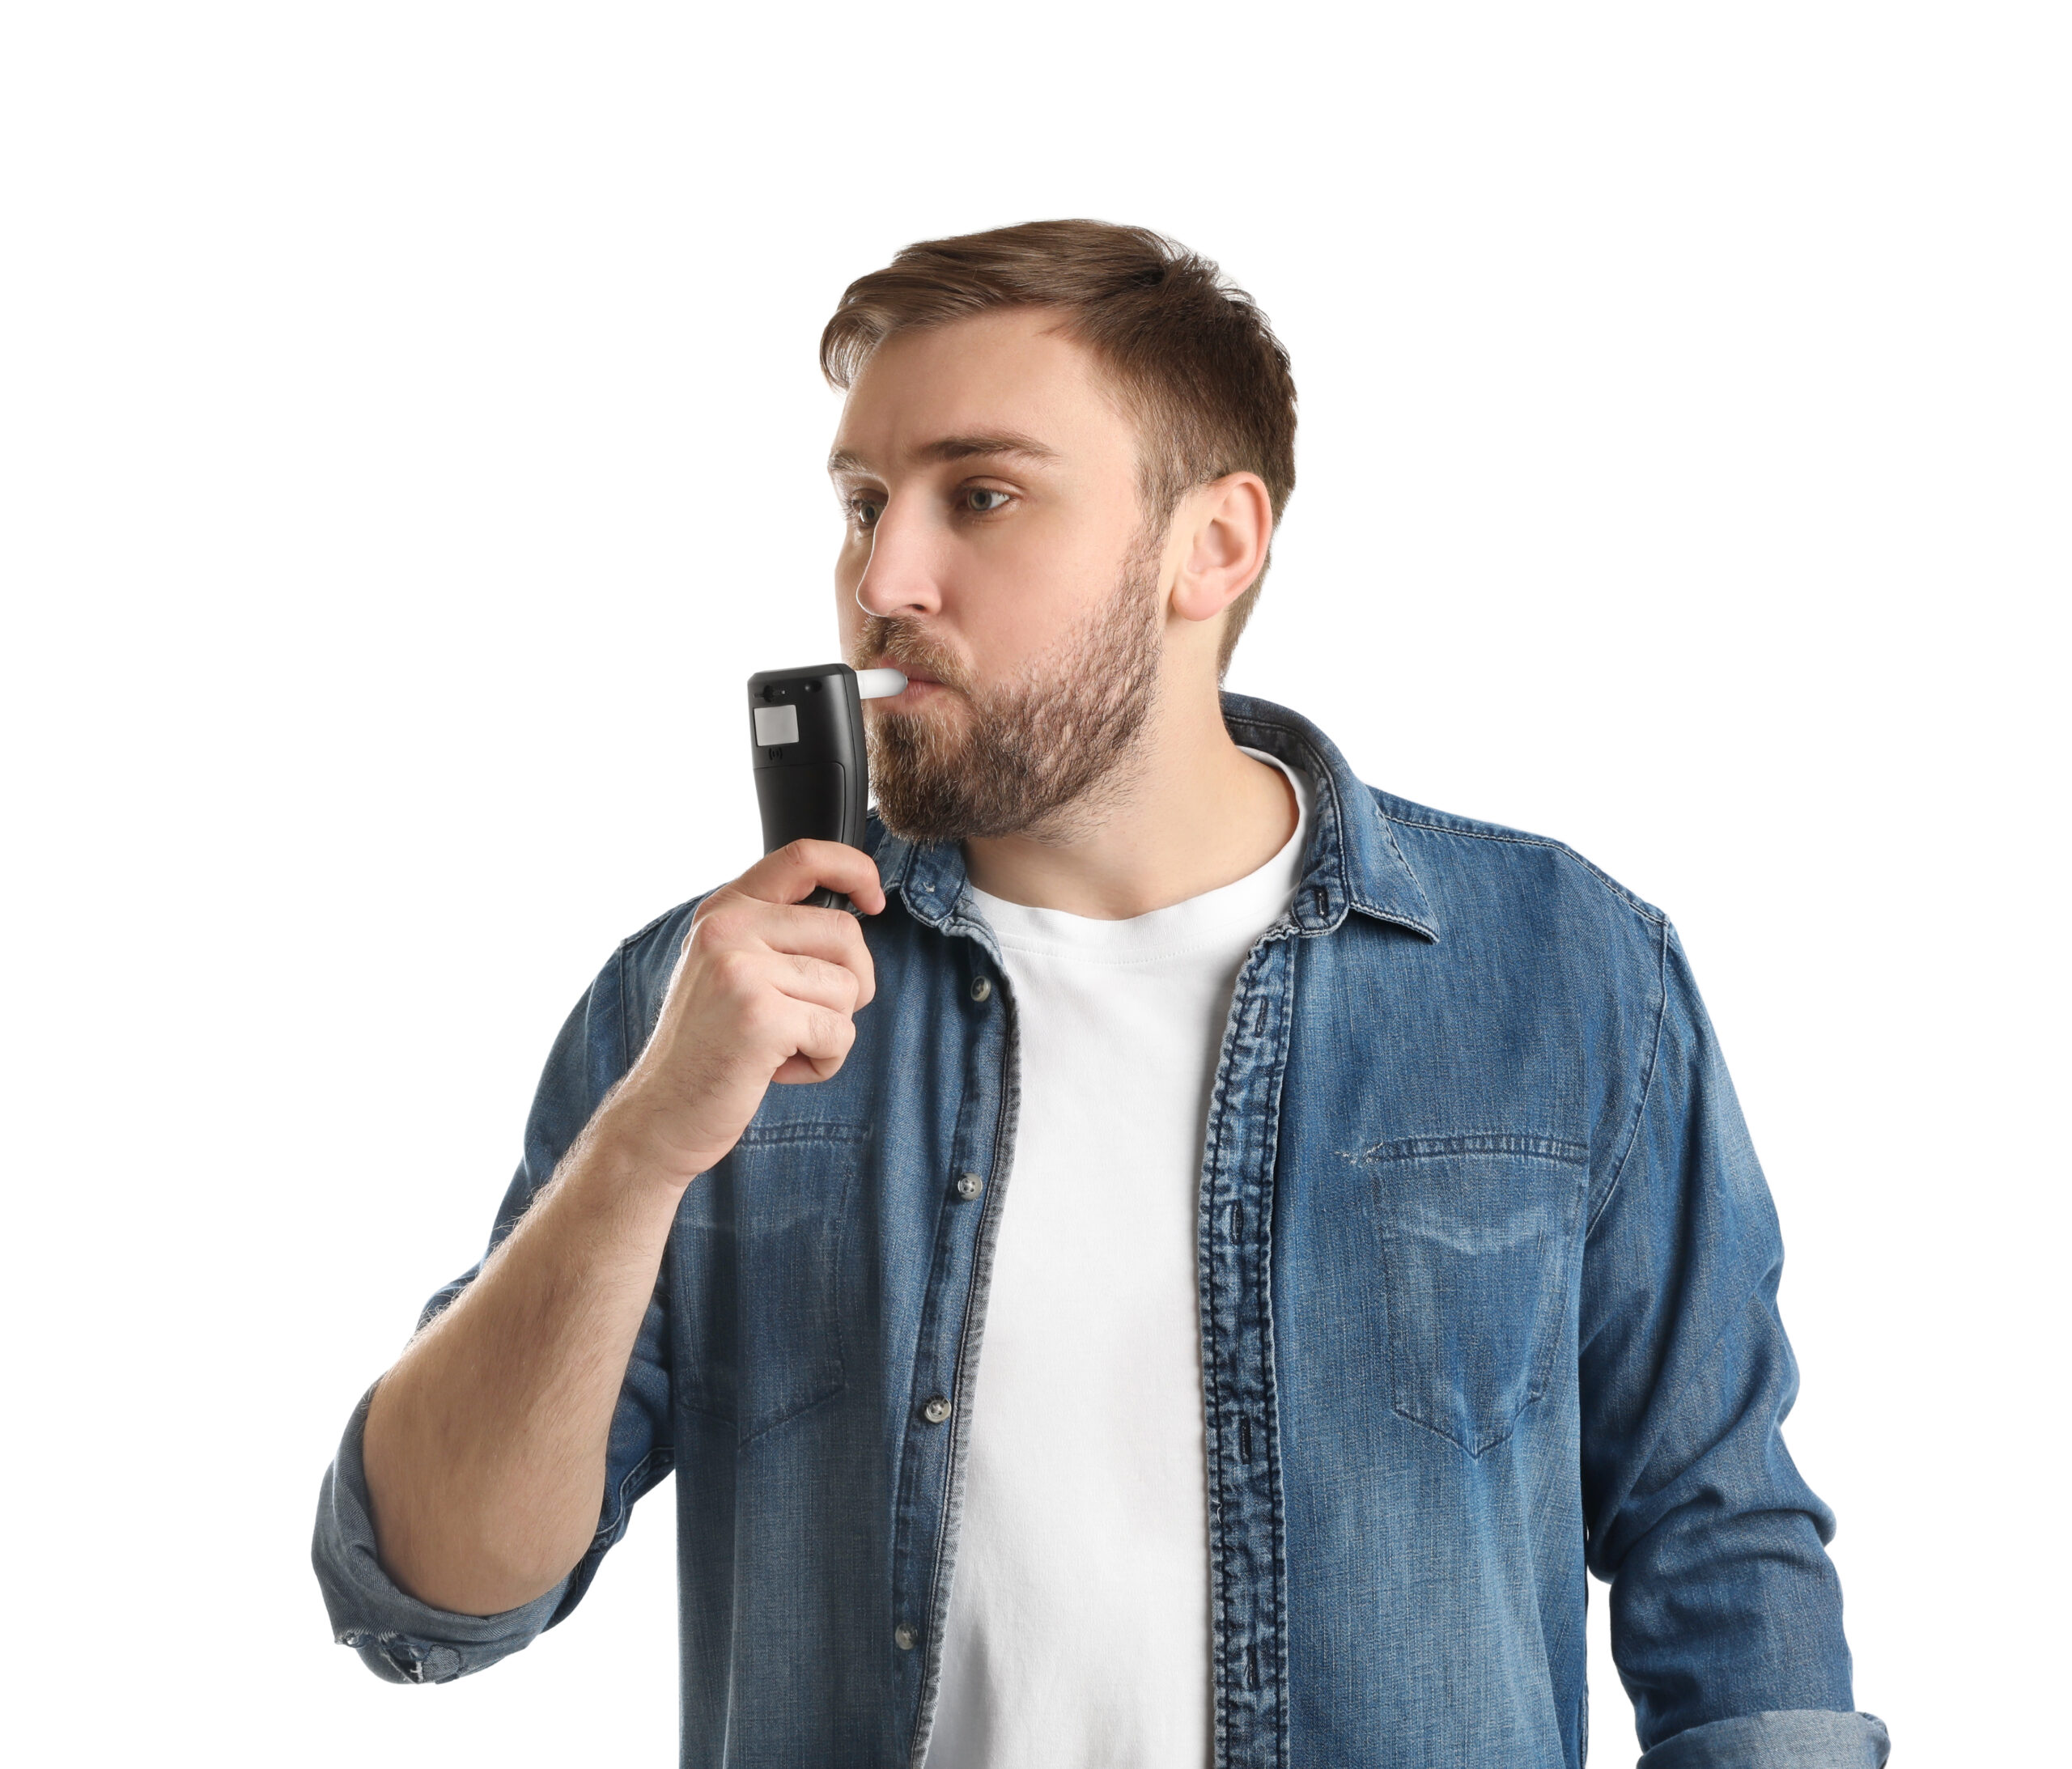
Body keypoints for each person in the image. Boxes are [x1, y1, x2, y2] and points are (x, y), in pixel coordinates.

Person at [313, 220, 1887, 1769]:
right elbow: (434, 1588)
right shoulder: (701, 1004)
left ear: (1213, 544)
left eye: (978, 495)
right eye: (862, 504)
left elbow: (1719, 1553)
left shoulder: (1559, 967)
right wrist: (648, 1143)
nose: (885, 575)